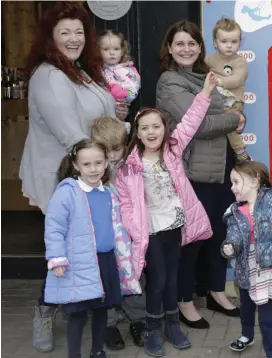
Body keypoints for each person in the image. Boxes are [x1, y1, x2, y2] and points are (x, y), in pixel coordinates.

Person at [21, 2, 126, 352]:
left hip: (93, 175)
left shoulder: (81, 71)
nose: (73, 38)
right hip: (65, 180)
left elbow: (103, 115)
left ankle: (96, 311)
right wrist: (105, 156)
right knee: (66, 250)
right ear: (50, 37)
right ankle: (45, 311)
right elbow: (70, 134)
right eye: (64, 32)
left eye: (79, 32)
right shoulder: (49, 76)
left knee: (89, 249)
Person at [116, 73, 218, 356]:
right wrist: (134, 227)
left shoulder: (172, 151)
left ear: (164, 128)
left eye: (156, 126)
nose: (151, 132)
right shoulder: (129, 166)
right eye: (144, 127)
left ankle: (173, 324)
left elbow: (191, 121)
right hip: (149, 230)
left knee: (172, 277)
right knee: (158, 279)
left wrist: (206, 91)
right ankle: (151, 328)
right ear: (136, 132)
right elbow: (125, 203)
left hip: (174, 224)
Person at [156, 20, 245, 329]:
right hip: (192, 172)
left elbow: (212, 118)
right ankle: (184, 300)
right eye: (179, 43)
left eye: (192, 43)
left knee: (220, 235)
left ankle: (216, 291)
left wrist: (225, 117)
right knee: (191, 239)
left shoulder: (205, 75)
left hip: (221, 166)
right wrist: (233, 119)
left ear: (200, 47)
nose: (186, 49)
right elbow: (201, 126)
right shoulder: (169, 81)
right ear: (169, 48)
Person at [44, 139, 140, 358]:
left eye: (98, 162)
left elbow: (118, 227)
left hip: (105, 261)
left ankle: (97, 351)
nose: (93, 168)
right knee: (77, 315)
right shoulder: (67, 193)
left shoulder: (110, 193)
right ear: (76, 165)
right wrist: (56, 258)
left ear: (106, 163)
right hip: (79, 263)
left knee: (101, 311)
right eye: (86, 164)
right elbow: (54, 227)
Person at [221, 138, 272, 358]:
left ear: (255, 181)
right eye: (232, 183)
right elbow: (233, 236)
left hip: (268, 267)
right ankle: (247, 335)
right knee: (245, 306)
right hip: (247, 266)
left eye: (236, 182)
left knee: (265, 316)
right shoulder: (234, 211)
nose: (232, 187)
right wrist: (229, 246)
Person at [90, 116, 147, 349]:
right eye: (107, 150)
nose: (113, 155)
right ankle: (108, 323)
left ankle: (139, 319)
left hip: (129, 234)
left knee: (134, 272)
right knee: (105, 277)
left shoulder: (131, 165)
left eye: (117, 149)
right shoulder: (92, 170)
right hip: (103, 236)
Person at [205, 17, 251, 162]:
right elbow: (200, 73)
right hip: (214, 101)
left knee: (227, 122)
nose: (229, 46)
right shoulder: (209, 60)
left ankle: (240, 150)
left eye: (234, 42)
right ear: (215, 42)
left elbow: (237, 79)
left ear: (239, 42)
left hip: (233, 102)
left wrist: (220, 81)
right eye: (224, 41)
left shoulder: (240, 62)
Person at [99, 30, 141, 105]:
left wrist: (122, 95)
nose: (112, 53)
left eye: (116, 49)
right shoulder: (97, 70)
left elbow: (133, 88)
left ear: (122, 51)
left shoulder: (125, 70)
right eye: (106, 49)